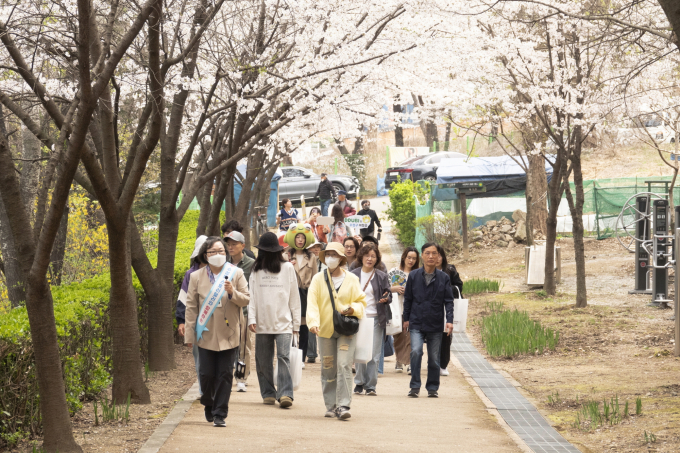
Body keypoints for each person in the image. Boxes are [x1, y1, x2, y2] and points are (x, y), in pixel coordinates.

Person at [184, 237, 250, 426]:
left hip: (229, 333)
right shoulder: (196, 276)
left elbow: (246, 299)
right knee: (206, 374)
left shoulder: (236, 273)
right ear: (206, 255)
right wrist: (189, 334)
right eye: (213, 252)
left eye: (221, 251)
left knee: (225, 374)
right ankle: (208, 402)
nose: (218, 255)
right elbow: (191, 307)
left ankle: (220, 413)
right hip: (204, 334)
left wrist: (232, 293)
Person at [307, 242, 367, 420]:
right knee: (328, 367)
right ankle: (330, 405)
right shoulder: (318, 279)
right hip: (325, 330)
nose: (331, 257)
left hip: (346, 330)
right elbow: (312, 303)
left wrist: (352, 308)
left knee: (343, 365)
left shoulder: (352, 279)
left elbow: (361, 302)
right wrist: (312, 322)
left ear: (341, 258)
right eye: (328, 254)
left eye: (335, 254)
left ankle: (343, 405)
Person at [247, 232, 301, 408]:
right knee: (263, 359)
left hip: (284, 322)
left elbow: (294, 297)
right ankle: (268, 392)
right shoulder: (256, 271)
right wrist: (252, 318)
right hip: (262, 322)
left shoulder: (287, 268)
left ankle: (285, 393)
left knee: (283, 357)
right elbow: (252, 297)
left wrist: (296, 324)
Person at [402, 242, 453, 398]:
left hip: (435, 323)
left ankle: (432, 388)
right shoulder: (413, 275)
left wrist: (449, 320)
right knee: (416, 351)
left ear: (439, 256)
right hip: (416, 321)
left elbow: (449, 301)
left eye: (434, 253)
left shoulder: (444, 278)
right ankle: (415, 386)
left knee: (434, 357)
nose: (431, 256)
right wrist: (406, 318)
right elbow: (408, 298)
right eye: (427, 253)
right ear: (422, 255)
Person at [351, 243, 392, 396]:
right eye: (367, 255)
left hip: (376, 318)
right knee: (360, 351)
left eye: (373, 256)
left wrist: (386, 298)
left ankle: (371, 385)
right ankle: (359, 382)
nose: (369, 259)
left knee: (374, 354)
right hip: (358, 317)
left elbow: (389, 294)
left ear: (377, 259)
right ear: (361, 257)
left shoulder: (381, 276)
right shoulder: (353, 274)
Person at [176, 235, 208, 395]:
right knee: (199, 358)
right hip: (197, 323)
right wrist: (182, 321)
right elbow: (183, 299)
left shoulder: (221, 271)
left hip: (218, 323)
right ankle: (204, 391)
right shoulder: (190, 274)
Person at [225, 231, 255, 392]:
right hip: (226, 313)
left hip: (244, 311)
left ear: (242, 246)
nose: (230, 247)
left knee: (243, 347)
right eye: (228, 244)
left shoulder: (251, 264)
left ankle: (242, 378)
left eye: (234, 244)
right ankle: (226, 377)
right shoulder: (223, 264)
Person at [283, 224, 318, 366]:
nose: (300, 240)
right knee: (289, 324)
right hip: (289, 293)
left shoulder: (312, 257)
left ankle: (301, 357)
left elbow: (315, 277)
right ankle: (289, 355)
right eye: (297, 237)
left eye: (303, 237)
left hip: (305, 293)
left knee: (303, 326)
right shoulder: (285, 255)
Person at [389, 246, 420, 374]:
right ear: (404, 257)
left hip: (413, 310)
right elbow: (385, 288)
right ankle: (399, 359)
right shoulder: (394, 271)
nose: (411, 261)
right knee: (398, 336)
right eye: (409, 257)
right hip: (397, 308)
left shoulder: (418, 273)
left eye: (414, 258)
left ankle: (411, 363)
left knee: (410, 337)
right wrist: (395, 289)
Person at [435, 245, 463, 377]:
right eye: (434, 254)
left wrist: (446, 289)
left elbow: (459, 286)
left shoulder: (450, 270)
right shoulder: (425, 270)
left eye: (439, 255)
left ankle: (443, 364)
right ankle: (434, 362)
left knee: (446, 336)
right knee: (432, 337)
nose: (436, 258)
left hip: (447, 308)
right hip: (430, 309)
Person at [306, 241, 325, 363]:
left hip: (323, 295)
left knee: (324, 322)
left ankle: (324, 353)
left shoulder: (325, 261)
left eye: (318, 247)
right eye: (313, 247)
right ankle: (312, 353)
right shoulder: (307, 261)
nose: (316, 249)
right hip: (310, 293)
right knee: (312, 321)